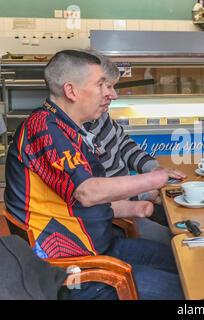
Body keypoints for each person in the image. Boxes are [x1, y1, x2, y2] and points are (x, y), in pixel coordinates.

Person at [4, 50, 184, 300]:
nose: (112, 93)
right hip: (76, 270)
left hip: (100, 247)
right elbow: (87, 193)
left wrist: (133, 209)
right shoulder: (44, 128)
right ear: (72, 91)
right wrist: (155, 178)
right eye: (102, 85)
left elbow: (68, 204)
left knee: (185, 262)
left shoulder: (70, 128)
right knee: (187, 290)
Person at [80, 50, 186, 244]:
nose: (114, 95)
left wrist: (153, 168)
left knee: (187, 217)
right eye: (107, 87)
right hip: (117, 219)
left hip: (131, 201)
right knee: (182, 243)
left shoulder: (99, 114)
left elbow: (123, 143)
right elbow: (96, 195)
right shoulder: (75, 133)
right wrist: (146, 192)